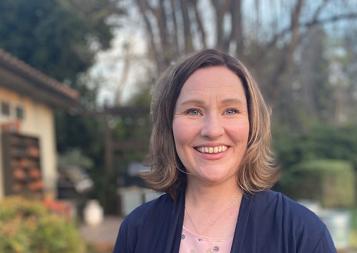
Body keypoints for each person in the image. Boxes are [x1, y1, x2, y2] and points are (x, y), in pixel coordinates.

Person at [112, 49, 336, 253]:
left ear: (252, 124)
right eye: (193, 111)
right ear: (168, 125)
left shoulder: (303, 234)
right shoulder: (137, 231)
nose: (212, 130)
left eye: (230, 110)